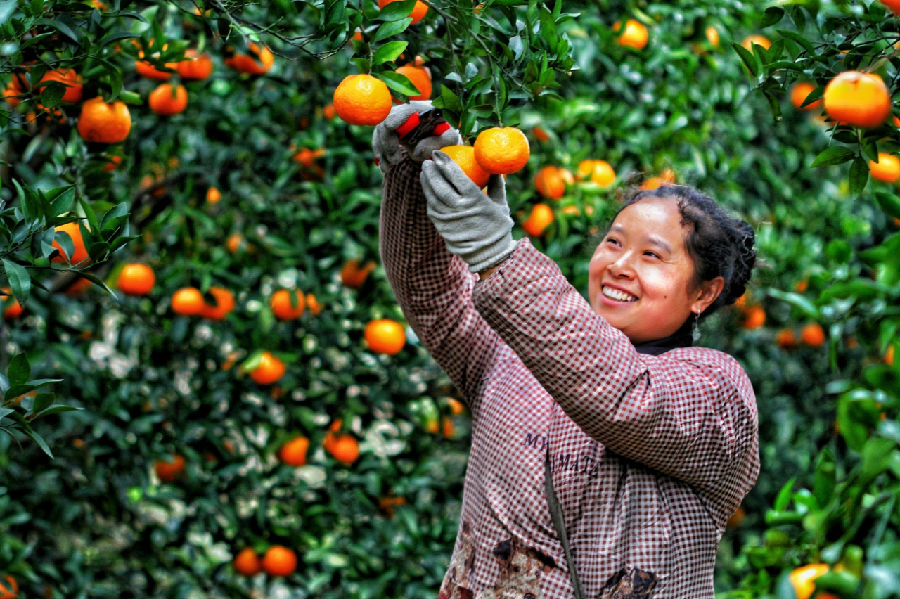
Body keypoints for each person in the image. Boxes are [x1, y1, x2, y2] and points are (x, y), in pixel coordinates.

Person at [373, 103, 760, 599]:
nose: (619, 264)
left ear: (704, 293)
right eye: (614, 242)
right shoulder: (515, 356)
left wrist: (499, 255)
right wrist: (411, 175)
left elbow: (627, 399)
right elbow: (434, 293)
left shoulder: (717, 392)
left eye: (651, 255)